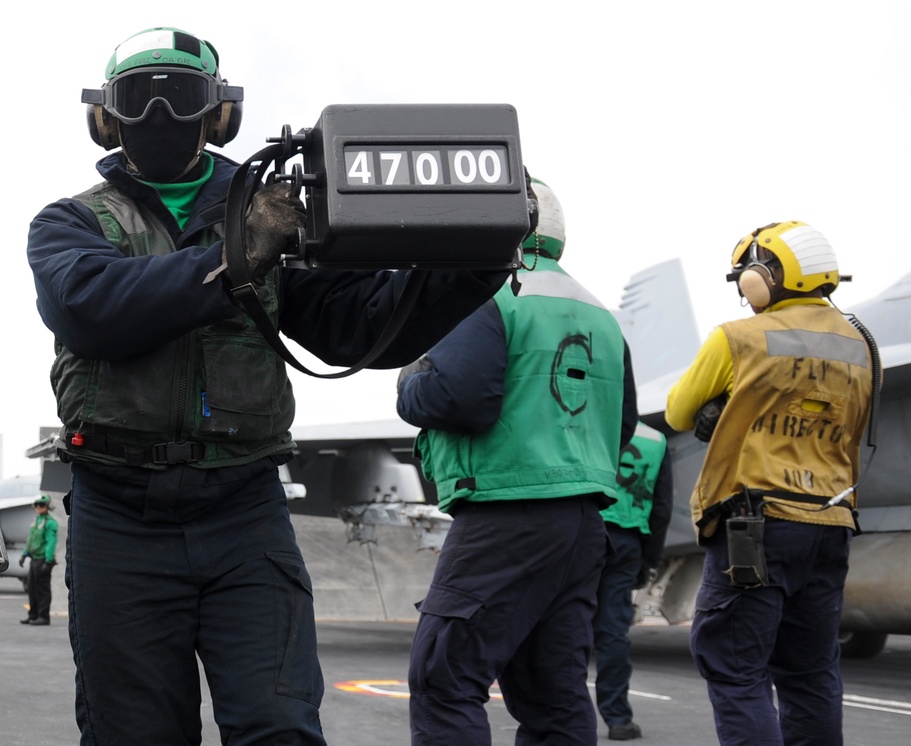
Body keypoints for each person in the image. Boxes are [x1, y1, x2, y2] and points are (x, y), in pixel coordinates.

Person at [26, 27, 508, 745]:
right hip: (118, 514)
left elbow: (356, 325)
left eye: (181, 98)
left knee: (279, 725)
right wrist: (236, 255)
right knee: (132, 732)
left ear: (218, 113)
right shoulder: (69, 223)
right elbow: (91, 307)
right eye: (139, 100)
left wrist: (474, 260)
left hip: (243, 513)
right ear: (109, 115)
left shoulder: (275, 218)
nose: (160, 117)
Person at [396, 176, 638, 745]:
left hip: (505, 512)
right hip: (581, 525)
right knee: (554, 696)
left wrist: (409, 381)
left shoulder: (486, 292)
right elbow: (619, 424)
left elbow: (458, 396)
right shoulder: (599, 312)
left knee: (443, 679)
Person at [665, 221, 875, 746]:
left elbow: (677, 412)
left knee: (737, 670)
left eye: (745, 275)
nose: (743, 287)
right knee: (810, 674)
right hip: (830, 521)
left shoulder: (738, 338)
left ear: (765, 276)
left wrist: (722, 403)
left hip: (754, 528)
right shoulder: (860, 343)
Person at [594, 423, 672, 741]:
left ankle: (560, 714)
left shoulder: (590, 420)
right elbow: (662, 506)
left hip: (584, 528)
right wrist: (648, 560)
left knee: (564, 622)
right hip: (628, 540)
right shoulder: (656, 439)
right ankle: (618, 719)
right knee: (613, 630)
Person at [19, 494, 59, 627]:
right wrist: (25, 554)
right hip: (34, 560)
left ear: (48, 507)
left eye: (41, 505)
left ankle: (43, 616)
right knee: (32, 588)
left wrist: (48, 561)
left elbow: (51, 542)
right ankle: (33, 615)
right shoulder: (36, 521)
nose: (38, 507)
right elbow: (31, 540)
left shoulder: (50, 523)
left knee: (42, 589)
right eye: (37, 505)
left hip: (42, 560)